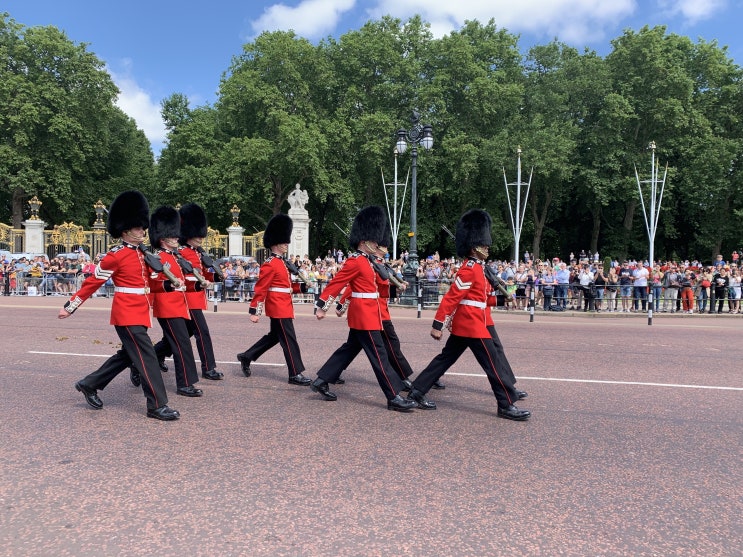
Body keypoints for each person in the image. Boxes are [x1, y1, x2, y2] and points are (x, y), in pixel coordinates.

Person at [61, 190, 179, 421]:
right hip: (126, 313)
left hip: (140, 312)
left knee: (127, 356)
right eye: (138, 228)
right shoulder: (115, 255)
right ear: (125, 230)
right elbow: (94, 281)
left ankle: (89, 383)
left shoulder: (143, 254)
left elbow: (148, 284)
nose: (143, 231)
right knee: (147, 358)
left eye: (142, 227)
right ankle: (156, 405)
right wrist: (71, 305)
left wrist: (166, 286)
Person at [406, 209, 530, 421]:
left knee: (445, 360)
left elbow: (479, 299)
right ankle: (506, 404)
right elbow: (452, 297)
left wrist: (501, 300)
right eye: (483, 245)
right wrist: (438, 324)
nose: (487, 247)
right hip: (471, 324)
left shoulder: (479, 268)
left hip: (472, 321)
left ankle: (417, 391)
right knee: (492, 363)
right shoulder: (469, 269)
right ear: (474, 247)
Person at [309, 206, 416, 412]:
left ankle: (322, 380)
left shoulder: (368, 261)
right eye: (374, 240)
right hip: (364, 314)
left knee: (349, 350)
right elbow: (337, 283)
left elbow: (379, 288)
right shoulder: (356, 261)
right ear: (363, 240)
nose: (377, 244)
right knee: (380, 355)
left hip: (369, 312)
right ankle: (393, 396)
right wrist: (322, 306)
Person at [150, 203, 224, 382]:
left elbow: (202, 274)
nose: (200, 238)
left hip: (194, 298)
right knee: (201, 332)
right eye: (197, 234)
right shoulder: (182, 252)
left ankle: (155, 355)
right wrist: (199, 284)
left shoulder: (197, 252)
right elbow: (184, 277)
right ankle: (208, 368)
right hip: (188, 299)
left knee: (179, 338)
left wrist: (216, 277)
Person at [236, 213, 311, 386]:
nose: (287, 244)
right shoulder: (270, 263)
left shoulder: (283, 263)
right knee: (289, 339)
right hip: (278, 307)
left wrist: (303, 288)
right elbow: (261, 288)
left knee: (275, 337)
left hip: (284, 304)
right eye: (284, 242)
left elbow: (286, 287)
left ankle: (247, 356)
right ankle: (295, 373)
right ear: (276, 243)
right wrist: (255, 311)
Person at [148, 206, 203, 397]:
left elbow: (183, 282)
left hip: (180, 306)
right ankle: (184, 384)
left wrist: (197, 286)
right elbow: (153, 281)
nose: (176, 238)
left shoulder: (176, 257)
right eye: (172, 236)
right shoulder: (158, 258)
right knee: (182, 345)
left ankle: (140, 364)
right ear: (163, 238)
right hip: (167, 307)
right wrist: (169, 285)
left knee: (176, 342)